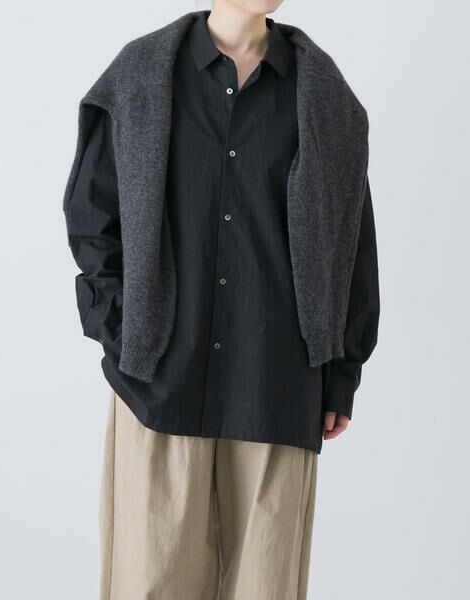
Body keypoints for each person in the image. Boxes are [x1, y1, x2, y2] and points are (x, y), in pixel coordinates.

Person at [62, 2, 380, 598]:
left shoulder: (323, 94)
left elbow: (351, 244)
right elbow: (93, 218)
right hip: (159, 383)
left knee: (266, 586)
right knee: (150, 582)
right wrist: (121, 334)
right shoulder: (140, 74)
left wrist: (341, 375)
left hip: (277, 385)